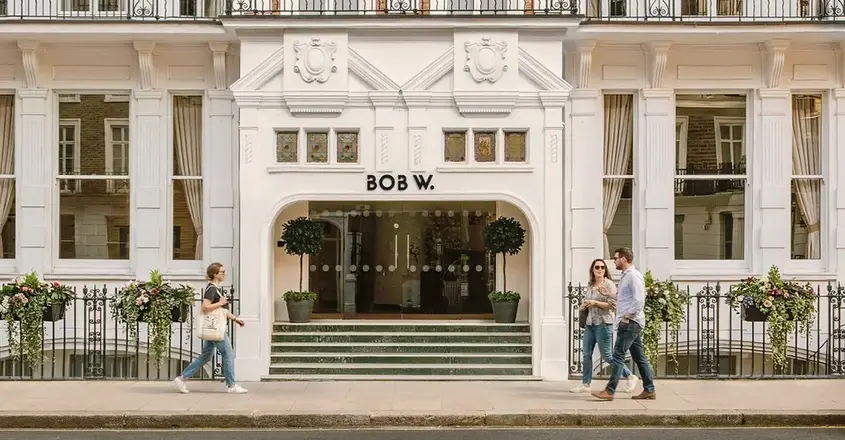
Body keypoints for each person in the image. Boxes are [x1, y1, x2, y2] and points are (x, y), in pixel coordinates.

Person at [173, 262, 247, 394]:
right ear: (214, 274)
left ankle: (182, 378)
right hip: (215, 328)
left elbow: (222, 310)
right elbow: (205, 307)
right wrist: (221, 302)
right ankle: (231, 385)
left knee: (205, 356)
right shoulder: (211, 289)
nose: (224, 274)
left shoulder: (216, 288)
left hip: (213, 328)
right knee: (228, 354)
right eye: (222, 272)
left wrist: (235, 319)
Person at [592, 247, 656, 401]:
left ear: (624, 259)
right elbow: (624, 297)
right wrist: (609, 294)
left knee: (618, 355)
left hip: (630, 322)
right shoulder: (626, 276)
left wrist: (628, 316)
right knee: (639, 357)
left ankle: (609, 391)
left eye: (615, 258)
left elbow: (639, 299)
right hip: (629, 321)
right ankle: (649, 389)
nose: (613, 261)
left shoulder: (633, 276)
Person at [570, 258, 638, 394]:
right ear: (593, 270)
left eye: (602, 267)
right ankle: (586, 383)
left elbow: (613, 305)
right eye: (597, 267)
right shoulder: (590, 285)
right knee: (586, 354)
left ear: (605, 270)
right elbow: (586, 301)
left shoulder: (609, 285)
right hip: (590, 323)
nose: (600, 269)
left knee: (607, 355)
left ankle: (630, 375)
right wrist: (585, 304)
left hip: (603, 324)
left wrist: (595, 302)